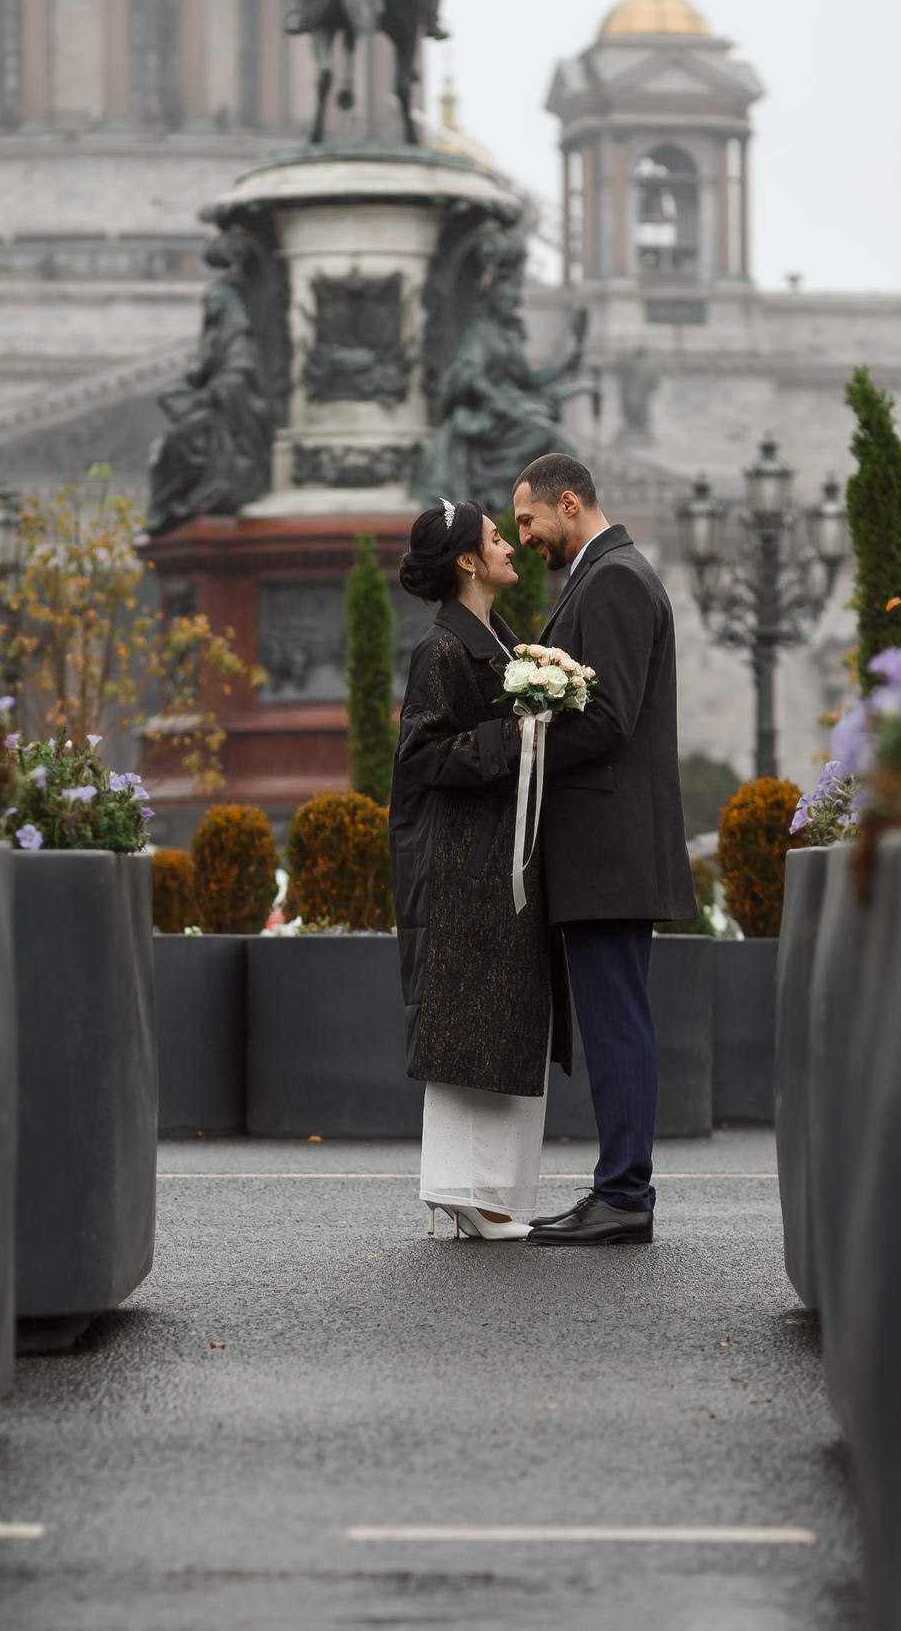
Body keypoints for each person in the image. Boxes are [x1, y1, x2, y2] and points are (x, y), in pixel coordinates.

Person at [510, 453, 694, 1247]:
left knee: (617, 1022)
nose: (524, 539)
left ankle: (624, 1193)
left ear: (570, 503)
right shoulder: (608, 573)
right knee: (617, 1019)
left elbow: (611, 714)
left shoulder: (614, 578)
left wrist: (527, 738)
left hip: (609, 849)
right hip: (609, 846)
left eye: (529, 521)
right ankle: (619, 1189)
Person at [390, 498, 570, 1240]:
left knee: (499, 1019)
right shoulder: (442, 649)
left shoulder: (494, 640)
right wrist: (516, 732)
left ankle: (483, 1193)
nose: (510, 547)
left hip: (494, 858)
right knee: (474, 1021)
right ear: (468, 559)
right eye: (497, 538)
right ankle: (474, 1191)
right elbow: (424, 755)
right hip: (466, 862)